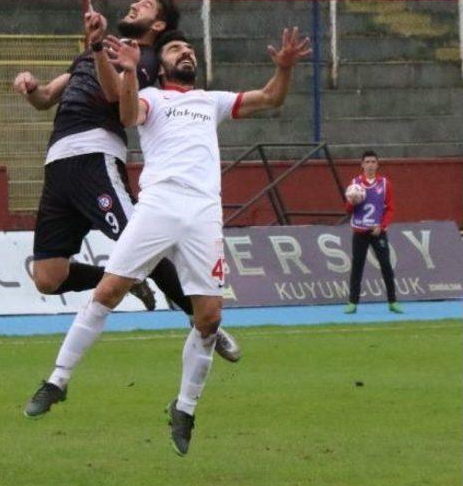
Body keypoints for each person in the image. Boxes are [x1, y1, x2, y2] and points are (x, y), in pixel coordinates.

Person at [24, 26, 311, 455]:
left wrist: (284, 69)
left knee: (209, 318)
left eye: (191, 49)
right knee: (109, 290)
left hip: (202, 213)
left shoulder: (209, 101)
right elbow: (125, 117)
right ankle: (57, 380)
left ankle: (185, 407)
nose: (186, 53)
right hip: (158, 205)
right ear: (160, 68)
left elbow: (271, 97)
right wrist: (126, 72)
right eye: (177, 49)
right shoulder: (152, 98)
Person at [13, 0, 240, 363]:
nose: (134, 5)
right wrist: (31, 86)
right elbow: (47, 97)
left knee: (137, 236)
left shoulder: (147, 62)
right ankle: (122, 278)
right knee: (47, 277)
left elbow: (116, 97)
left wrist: (101, 47)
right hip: (57, 161)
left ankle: (204, 323)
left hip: (96, 155)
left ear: (159, 25)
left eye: (146, 5)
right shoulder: (97, 50)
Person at [344, 150, 403, 315]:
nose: (370, 165)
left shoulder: (385, 184)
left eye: (373, 162)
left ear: (377, 164)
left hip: (378, 231)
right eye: (367, 162)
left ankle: (392, 301)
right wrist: (352, 201)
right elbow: (348, 210)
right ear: (362, 164)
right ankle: (352, 303)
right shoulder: (355, 184)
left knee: (386, 265)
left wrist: (382, 226)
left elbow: (390, 208)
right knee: (357, 266)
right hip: (360, 230)